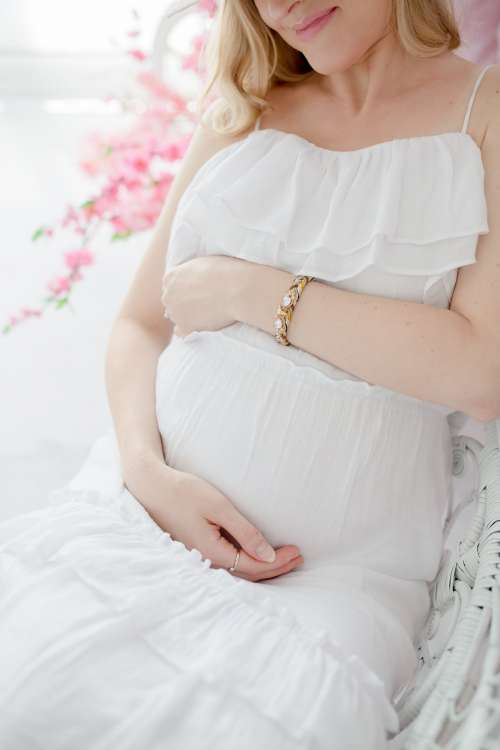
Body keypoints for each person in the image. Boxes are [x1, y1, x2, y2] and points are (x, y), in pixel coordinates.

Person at [1, 1, 499, 748]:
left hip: (334, 583)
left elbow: (479, 371)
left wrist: (251, 290)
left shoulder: (483, 113)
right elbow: (139, 326)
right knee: (32, 690)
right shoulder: (248, 103)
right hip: (137, 523)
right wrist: (149, 477)